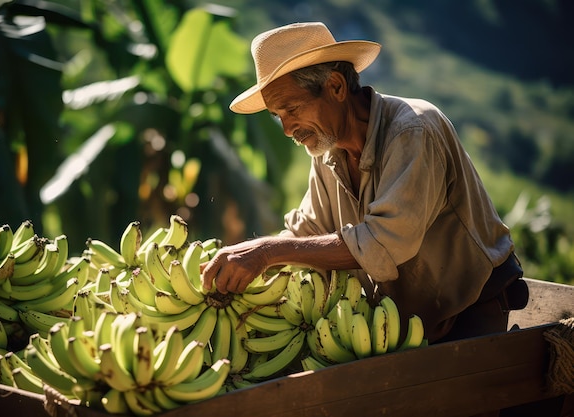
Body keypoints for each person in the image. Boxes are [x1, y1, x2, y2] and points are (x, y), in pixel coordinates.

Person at [201, 22, 528, 343]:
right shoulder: (327, 151)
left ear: (336, 87)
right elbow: (308, 233)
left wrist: (267, 251)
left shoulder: (412, 130)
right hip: (401, 323)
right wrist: (244, 261)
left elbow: (385, 243)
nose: (287, 129)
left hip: (469, 312)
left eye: (292, 108)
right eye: (278, 115)